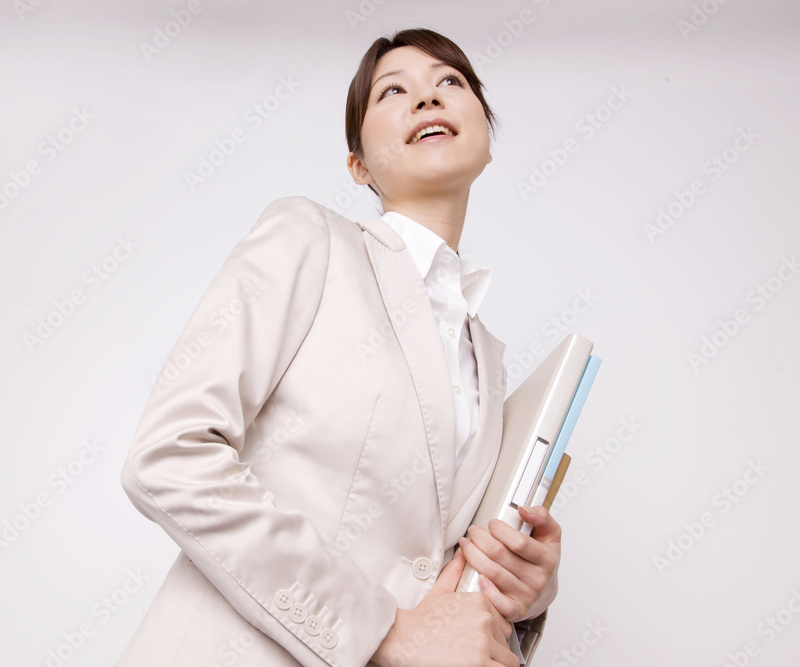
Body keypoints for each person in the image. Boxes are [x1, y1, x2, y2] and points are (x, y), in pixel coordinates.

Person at [117, 27, 562, 667]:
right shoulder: (309, 239)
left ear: (487, 139)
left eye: (451, 81)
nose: (427, 97)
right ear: (358, 164)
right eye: (393, 92)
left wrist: (523, 593)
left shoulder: (486, 360)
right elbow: (168, 456)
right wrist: (383, 633)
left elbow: (434, 582)